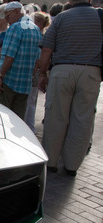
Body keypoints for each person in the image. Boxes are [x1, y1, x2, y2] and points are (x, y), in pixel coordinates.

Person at [38, 0, 102, 177]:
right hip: (91, 71)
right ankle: (72, 165)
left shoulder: (61, 18)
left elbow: (46, 50)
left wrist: (42, 73)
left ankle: (51, 161)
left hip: (62, 70)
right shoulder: (100, 16)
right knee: (82, 120)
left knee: (56, 116)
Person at [0, 1, 41, 120]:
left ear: (16, 12)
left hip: (9, 81)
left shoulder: (15, 28)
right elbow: (37, 58)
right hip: (25, 83)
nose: (7, 20)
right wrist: (32, 74)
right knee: (18, 120)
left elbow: (9, 55)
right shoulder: (35, 28)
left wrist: (0, 76)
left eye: (8, 16)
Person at [24, 11, 50, 133]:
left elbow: (38, 58)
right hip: (37, 71)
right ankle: (30, 126)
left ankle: (29, 126)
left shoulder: (38, 37)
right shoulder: (43, 36)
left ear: (38, 23)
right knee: (32, 101)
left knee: (29, 101)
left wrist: (35, 72)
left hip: (34, 72)